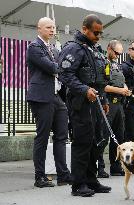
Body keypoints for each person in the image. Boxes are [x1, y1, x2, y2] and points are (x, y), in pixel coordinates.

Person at [58, 14, 111, 197]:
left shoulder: (95, 49)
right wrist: (84, 89)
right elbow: (65, 74)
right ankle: (78, 184)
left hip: (95, 101)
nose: (98, 36)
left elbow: (100, 79)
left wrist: (103, 100)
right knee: (82, 142)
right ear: (84, 29)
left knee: (97, 140)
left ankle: (91, 179)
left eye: (100, 33)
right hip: (81, 102)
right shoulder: (74, 48)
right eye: (95, 32)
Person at [26, 17, 71, 188]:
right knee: (42, 137)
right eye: (48, 27)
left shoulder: (53, 48)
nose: (52, 30)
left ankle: (63, 174)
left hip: (56, 96)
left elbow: (62, 68)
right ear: (39, 29)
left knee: (61, 136)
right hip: (41, 96)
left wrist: (62, 65)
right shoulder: (34, 47)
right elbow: (53, 67)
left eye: (53, 27)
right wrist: (62, 65)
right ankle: (40, 176)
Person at [97, 40, 130, 177]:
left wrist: (125, 89)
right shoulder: (102, 62)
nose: (117, 55)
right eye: (116, 52)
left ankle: (116, 166)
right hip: (108, 103)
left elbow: (122, 82)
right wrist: (120, 90)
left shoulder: (117, 65)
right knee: (104, 137)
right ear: (109, 49)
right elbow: (102, 86)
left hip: (119, 105)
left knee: (119, 137)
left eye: (120, 53)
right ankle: (99, 167)